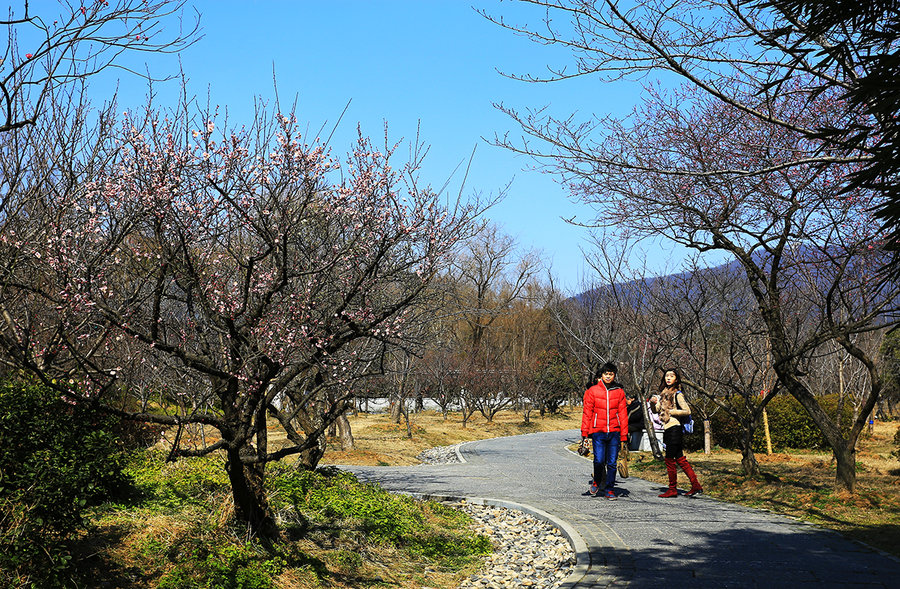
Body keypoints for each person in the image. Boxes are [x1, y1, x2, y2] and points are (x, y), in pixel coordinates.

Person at [581, 362, 628, 500]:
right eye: (606, 374)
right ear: (601, 375)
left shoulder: (619, 392)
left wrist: (624, 434)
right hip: (598, 431)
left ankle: (609, 489)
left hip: (614, 431)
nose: (608, 376)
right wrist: (585, 432)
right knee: (599, 460)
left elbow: (623, 414)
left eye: (611, 374)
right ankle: (597, 480)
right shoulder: (593, 391)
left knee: (612, 462)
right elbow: (587, 413)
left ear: (614, 376)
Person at [652, 368, 703, 498]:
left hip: (675, 428)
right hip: (667, 428)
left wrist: (671, 411)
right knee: (680, 459)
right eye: (666, 376)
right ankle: (696, 485)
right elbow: (657, 410)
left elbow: (687, 411)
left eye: (671, 376)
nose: (668, 378)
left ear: (676, 379)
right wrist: (654, 403)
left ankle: (672, 489)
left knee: (669, 460)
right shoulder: (663, 394)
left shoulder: (677, 394)